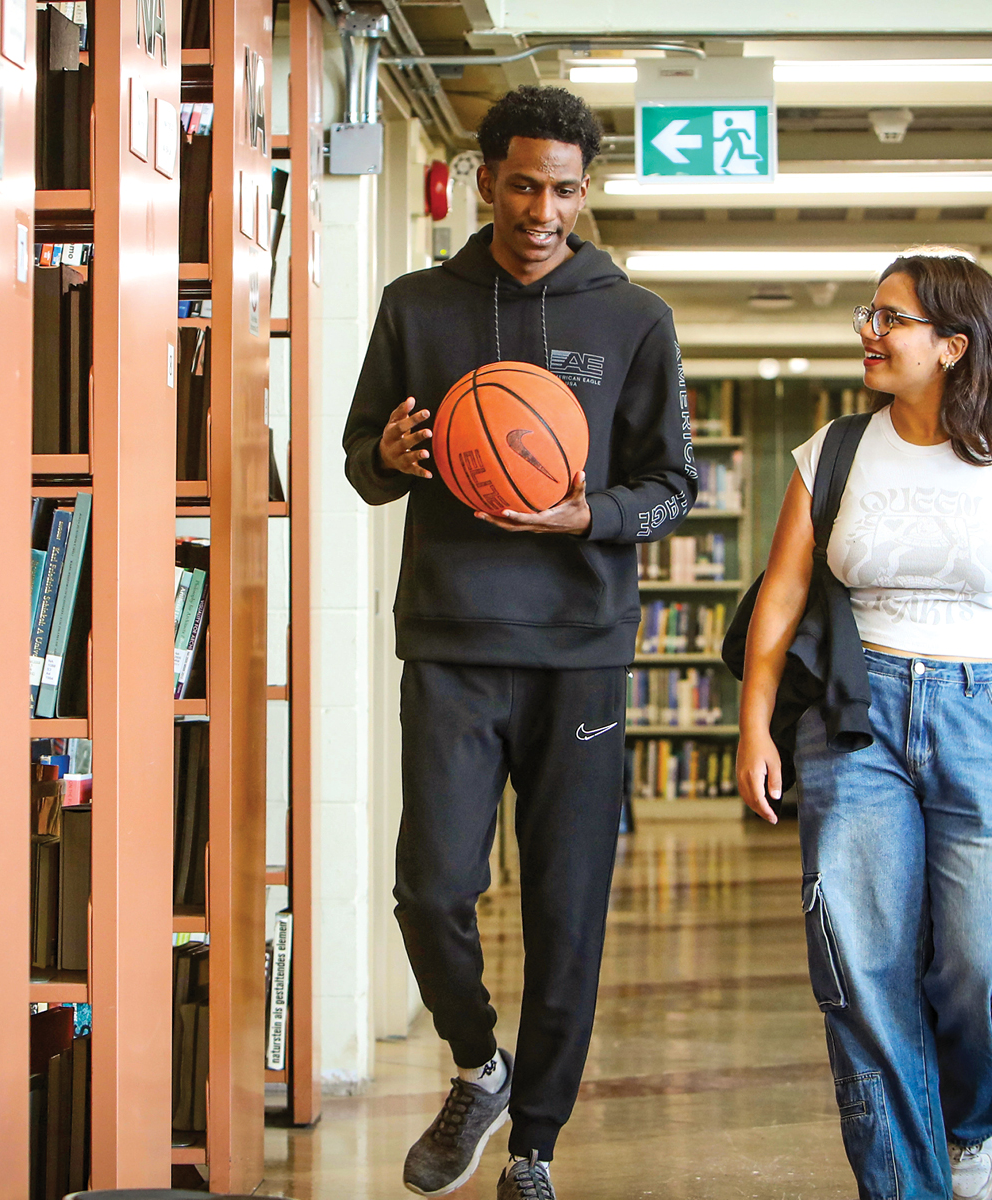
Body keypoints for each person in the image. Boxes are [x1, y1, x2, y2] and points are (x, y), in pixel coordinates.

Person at [343, 85, 696, 1199]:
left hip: (581, 644)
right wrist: (394, 456)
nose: (546, 210)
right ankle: (478, 1065)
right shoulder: (417, 305)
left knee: (566, 908)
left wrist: (586, 512)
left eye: (567, 190)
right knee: (431, 889)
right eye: (527, 184)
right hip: (449, 633)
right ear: (487, 176)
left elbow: (672, 487)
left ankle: (534, 1145)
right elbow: (360, 461)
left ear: (586, 192)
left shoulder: (634, 318)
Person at [737, 249, 992, 1200]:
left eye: (891, 319)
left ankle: (968, 1120)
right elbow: (781, 598)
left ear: (955, 346)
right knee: (865, 968)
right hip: (857, 718)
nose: (869, 333)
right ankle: (906, 1187)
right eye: (869, 315)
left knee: (977, 956)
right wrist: (754, 724)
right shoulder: (833, 451)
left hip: (984, 711)